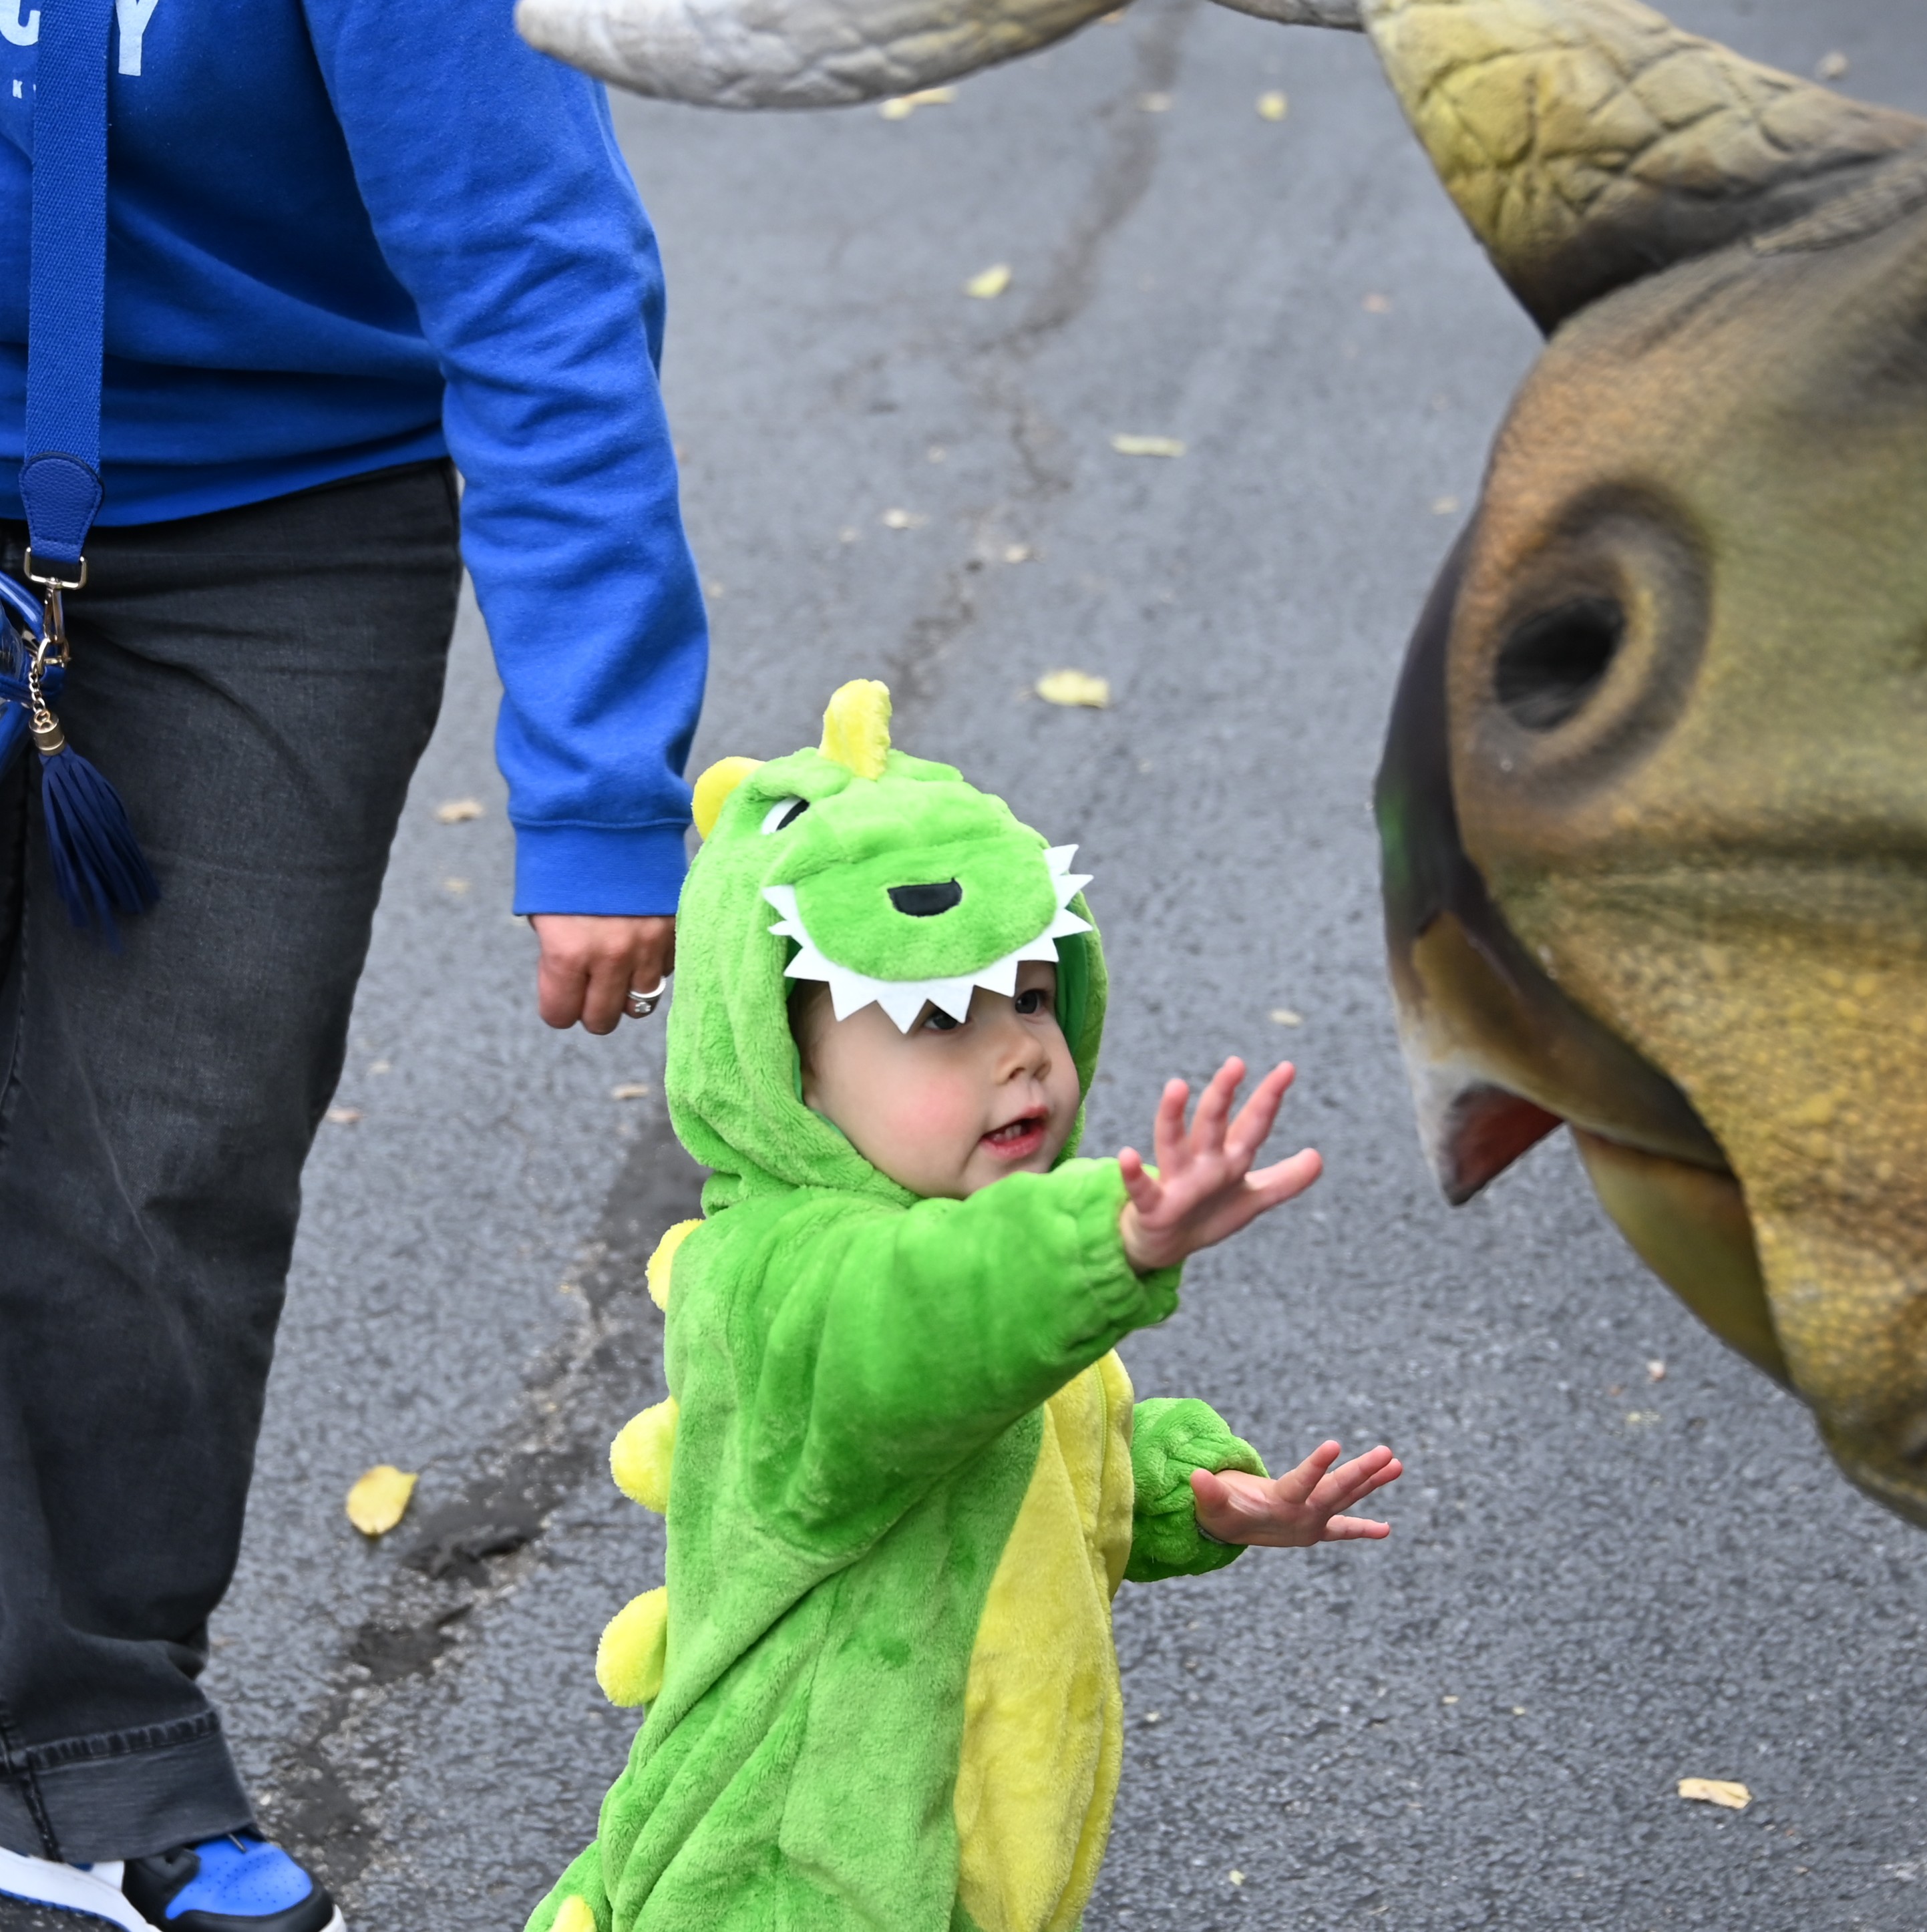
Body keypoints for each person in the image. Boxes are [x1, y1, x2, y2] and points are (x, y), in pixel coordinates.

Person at [0, 0, 705, 1924]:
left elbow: (533, 263)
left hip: (269, 532)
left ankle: (89, 1746)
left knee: (163, 1158)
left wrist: (596, 783)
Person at [528, 681, 1397, 1932]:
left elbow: (1030, 1462)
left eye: (1033, 994)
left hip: (962, 1860)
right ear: (783, 1068)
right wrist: (1115, 1236)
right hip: (804, 1879)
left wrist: (1185, 1495)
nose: (1019, 1050)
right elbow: (916, 1337)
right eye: (934, 1013)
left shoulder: (993, 1267)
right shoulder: (795, 1285)